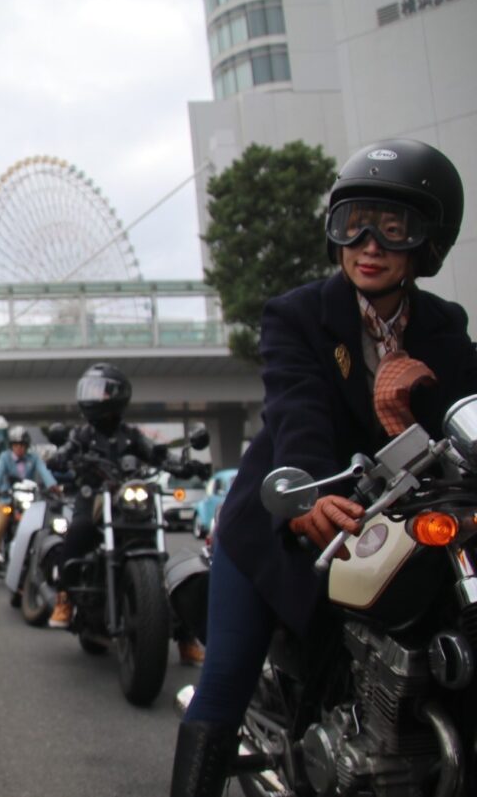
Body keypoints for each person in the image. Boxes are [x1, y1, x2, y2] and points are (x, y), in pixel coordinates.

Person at [171, 138, 477, 796]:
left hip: (400, 526)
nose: (370, 245)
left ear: (427, 244)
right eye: (354, 225)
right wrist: (307, 491)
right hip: (289, 516)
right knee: (224, 680)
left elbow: (469, 414)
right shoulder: (298, 314)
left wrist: (414, 408)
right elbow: (297, 409)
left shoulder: (445, 327)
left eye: (393, 229)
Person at [45, 365, 207, 663]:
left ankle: (186, 636)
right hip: (94, 498)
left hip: (129, 501)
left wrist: (185, 466)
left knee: (164, 563)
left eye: (100, 390)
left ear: (118, 395)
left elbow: (158, 454)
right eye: (90, 390)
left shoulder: (132, 436)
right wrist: (59, 457)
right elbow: (64, 452)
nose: (94, 397)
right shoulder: (81, 435)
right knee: (78, 530)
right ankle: (65, 596)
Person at [0, 426, 58, 586]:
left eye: (22, 445)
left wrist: (53, 486)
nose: (19, 448)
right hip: (7, 500)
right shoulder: (4, 458)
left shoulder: (33, 458)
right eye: (16, 445)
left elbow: (44, 472)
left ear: (27, 446)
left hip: (29, 501)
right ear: (11, 446)